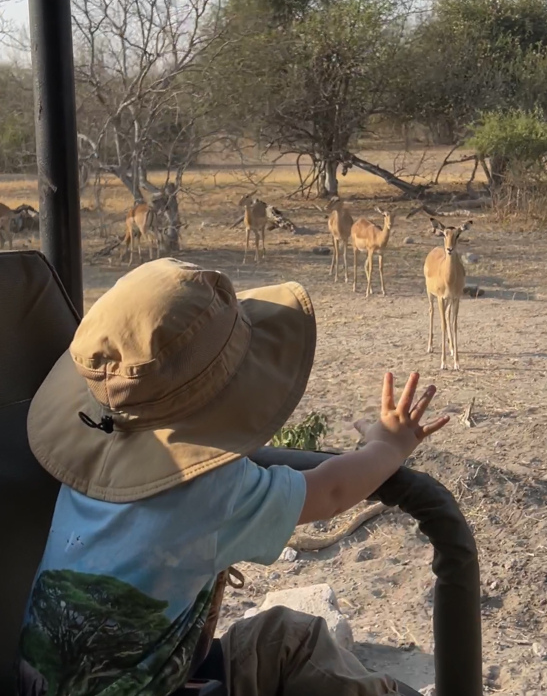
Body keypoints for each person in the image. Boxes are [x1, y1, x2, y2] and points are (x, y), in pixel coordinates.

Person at [18, 258, 448, 696]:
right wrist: (388, 446)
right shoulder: (210, 491)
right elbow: (332, 491)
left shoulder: (81, 466)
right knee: (290, 640)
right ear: (228, 397)